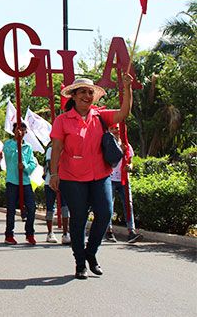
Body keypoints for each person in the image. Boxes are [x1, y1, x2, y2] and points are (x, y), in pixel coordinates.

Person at [50, 75, 133, 280]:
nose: (87, 95)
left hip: (100, 175)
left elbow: (124, 113)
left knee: (105, 213)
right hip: (72, 177)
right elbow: (57, 148)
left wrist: (127, 88)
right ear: (74, 96)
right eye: (83, 92)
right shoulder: (62, 120)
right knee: (78, 220)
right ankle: (80, 263)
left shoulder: (100, 116)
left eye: (90, 92)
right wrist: (54, 173)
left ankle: (91, 253)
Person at [105, 124, 142, 243]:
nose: (115, 130)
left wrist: (129, 167)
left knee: (128, 204)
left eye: (117, 128)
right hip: (110, 179)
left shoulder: (127, 145)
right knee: (109, 206)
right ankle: (109, 231)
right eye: (112, 128)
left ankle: (131, 231)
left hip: (123, 179)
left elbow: (130, 162)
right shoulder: (107, 145)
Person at [3, 123, 37, 245]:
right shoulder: (8, 144)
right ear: (14, 131)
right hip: (12, 181)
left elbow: (33, 163)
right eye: (18, 129)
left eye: (23, 129)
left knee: (32, 208)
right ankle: (9, 235)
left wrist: (25, 167)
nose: (21, 131)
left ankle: (30, 234)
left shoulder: (28, 147)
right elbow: (8, 155)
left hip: (25, 181)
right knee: (11, 209)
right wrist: (16, 143)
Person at [44, 142, 70, 244]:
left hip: (65, 181)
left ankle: (65, 234)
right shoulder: (51, 149)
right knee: (50, 208)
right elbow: (50, 165)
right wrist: (55, 178)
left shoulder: (67, 148)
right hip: (50, 182)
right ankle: (50, 232)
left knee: (65, 207)